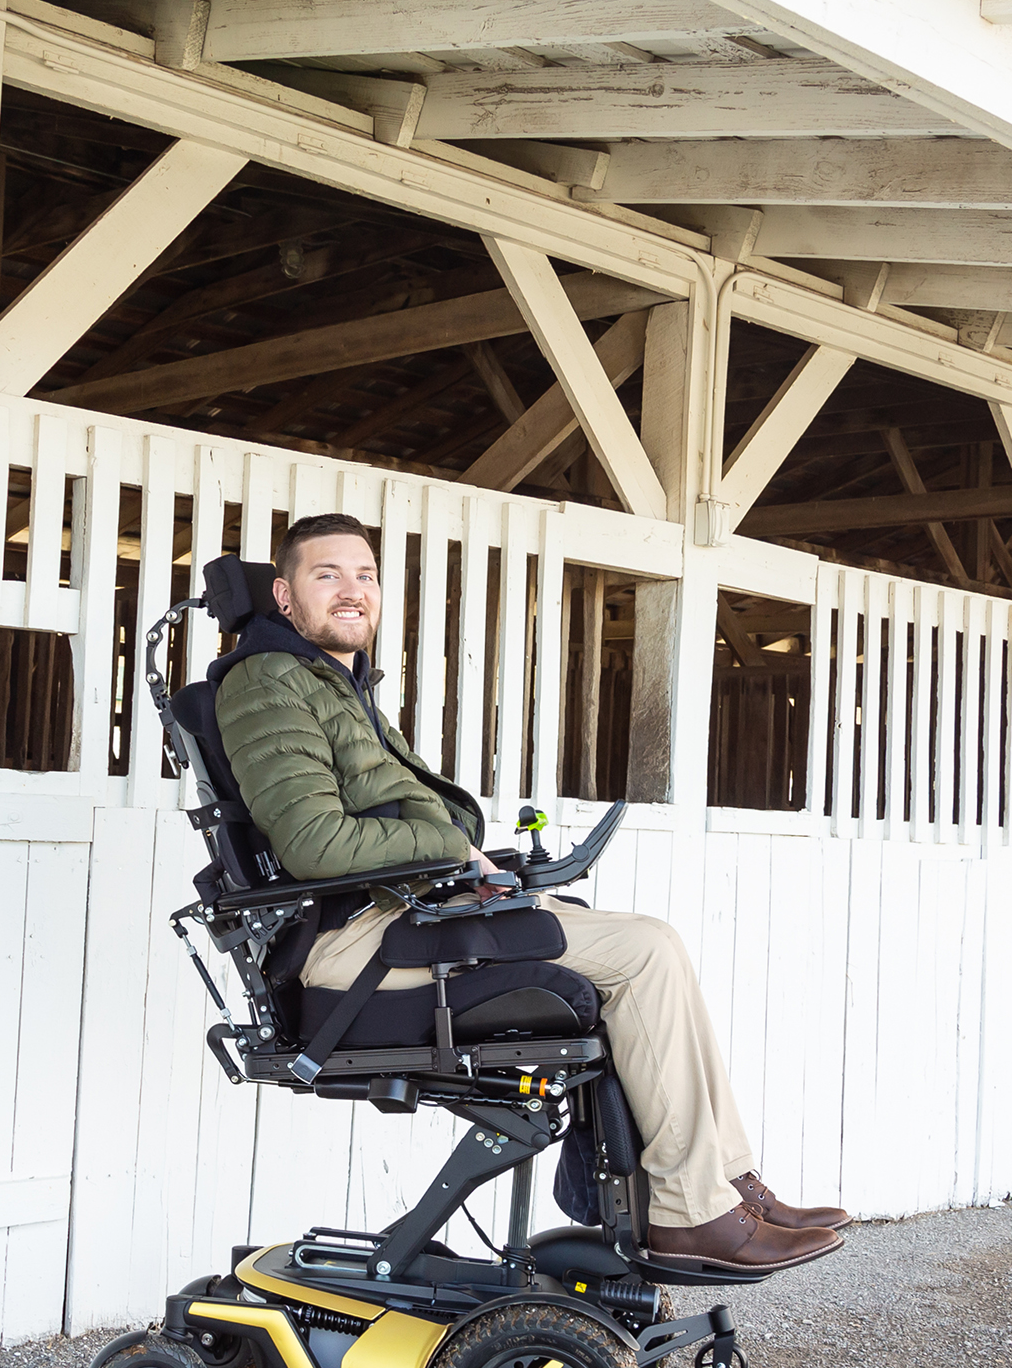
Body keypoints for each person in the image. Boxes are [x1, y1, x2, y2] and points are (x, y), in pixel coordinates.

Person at [214, 512, 849, 1272]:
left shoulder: (331, 681)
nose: (353, 591)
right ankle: (691, 1211)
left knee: (640, 941)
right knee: (645, 951)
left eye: (366, 575)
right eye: (328, 575)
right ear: (284, 596)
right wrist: (453, 847)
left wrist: (482, 869)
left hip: (401, 915)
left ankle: (729, 1187)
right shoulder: (269, 681)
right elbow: (316, 846)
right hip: (351, 947)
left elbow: (377, 823)